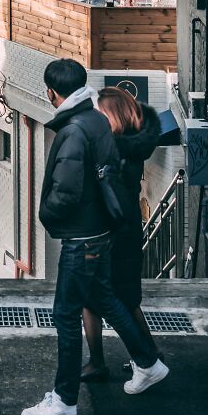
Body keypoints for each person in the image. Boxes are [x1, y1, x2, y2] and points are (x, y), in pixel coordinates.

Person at [21, 59, 168, 415]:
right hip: (102, 232)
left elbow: (66, 191)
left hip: (83, 235)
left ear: (52, 92)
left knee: (66, 315)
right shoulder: (96, 121)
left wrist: (48, 215)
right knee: (103, 298)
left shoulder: (75, 130)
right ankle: (148, 362)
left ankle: (65, 399)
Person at [81, 86, 162, 382]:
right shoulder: (131, 146)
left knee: (108, 297)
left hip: (114, 231)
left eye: (101, 114)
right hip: (125, 230)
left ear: (113, 116)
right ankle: (146, 353)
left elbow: (107, 193)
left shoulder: (114, 151)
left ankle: (109, 360)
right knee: (120, 297)